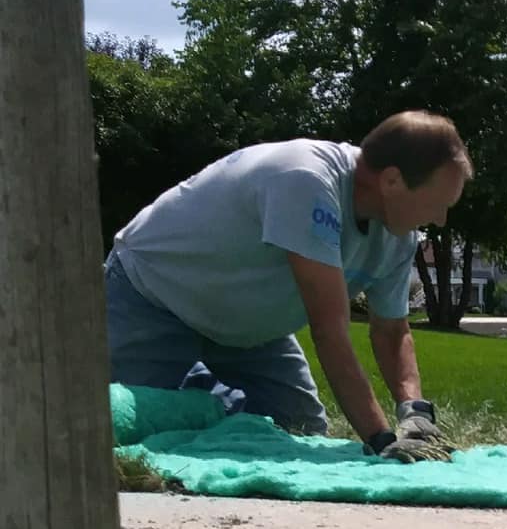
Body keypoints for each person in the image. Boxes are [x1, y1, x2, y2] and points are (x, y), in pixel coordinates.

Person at [105, 110, 472, 462]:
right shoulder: (305, 178)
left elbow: (392, 332)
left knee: (299, 430)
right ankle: (200, 394)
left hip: (250, 331)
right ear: (391, 181)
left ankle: (207, 397)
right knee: (138, 428)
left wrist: (415, 412)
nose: (440, 219)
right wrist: (380, 439)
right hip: (155, 296)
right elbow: (329, 329)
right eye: (438, 203)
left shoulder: (399, 237)